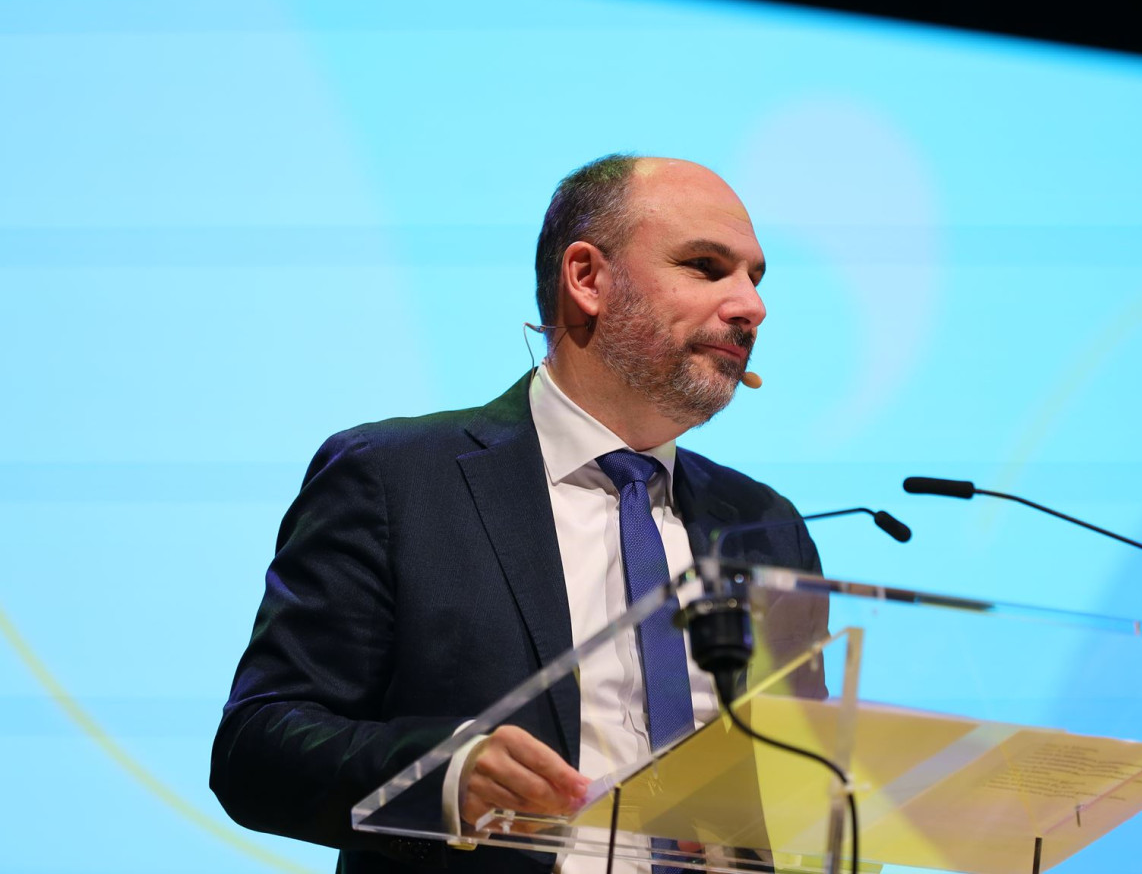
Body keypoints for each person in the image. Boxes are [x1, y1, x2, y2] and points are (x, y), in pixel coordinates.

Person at [210, 154, 824, 873]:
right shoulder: (394, 478)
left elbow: (808, 786)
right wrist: (445, 775)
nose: (750, 305)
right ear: (587, 279)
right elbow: (257, 747)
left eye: (755, 277)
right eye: (706, 266)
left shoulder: (764, 523)